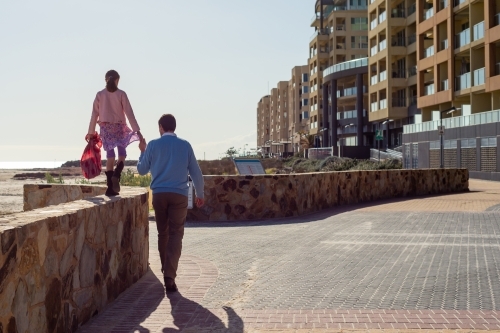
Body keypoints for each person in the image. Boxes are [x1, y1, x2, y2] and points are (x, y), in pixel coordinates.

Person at [137, 114, 205, 294]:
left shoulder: (152, 145)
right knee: (176, 234)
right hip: (179, 195)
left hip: (159, 194)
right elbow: (196, 173)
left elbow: (142, 170)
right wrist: (200, 193)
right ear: (174, 127)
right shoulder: (185, 145)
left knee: (163, 233)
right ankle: (169, 275)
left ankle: (165, 269)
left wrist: (142, 151)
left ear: (160, 127)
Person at [86, 70, 142, 196]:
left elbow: (94, 114)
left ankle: (110, 188)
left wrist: (90, 132)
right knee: (122, 154)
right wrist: (137, 130)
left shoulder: (100, 95)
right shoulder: (121, 94)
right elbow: (129, 112)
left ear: (106, 80)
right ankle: (116, 175)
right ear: (117, 80)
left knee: (110, 156)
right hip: (119, 127)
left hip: (106, 128)